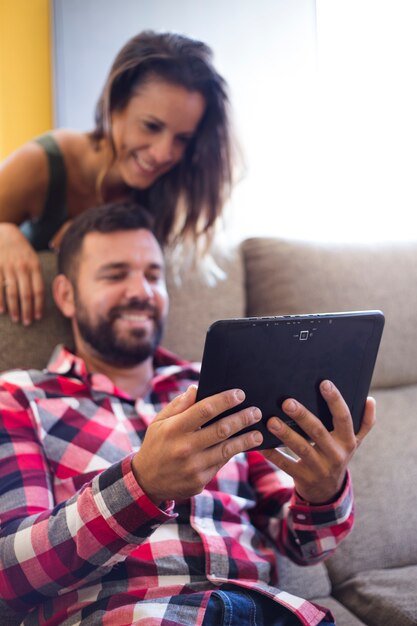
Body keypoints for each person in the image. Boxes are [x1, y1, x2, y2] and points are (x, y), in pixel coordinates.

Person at [0, 202, 376, 626]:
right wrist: (141, 486)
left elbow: (307, 547)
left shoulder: (221, 383)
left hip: (270, 612)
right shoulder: (18, 397)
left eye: (153, 275)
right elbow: (8, 579)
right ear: (66, 295)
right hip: (132, 616)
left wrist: (324, 490)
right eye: (115, 274)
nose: (140, 290)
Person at [0, 30, 234, 326]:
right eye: (151, 126)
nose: (164, 154)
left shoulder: (170, 189)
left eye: (183, 139)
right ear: (114, 107)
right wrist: (4, 234)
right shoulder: (43, 164)